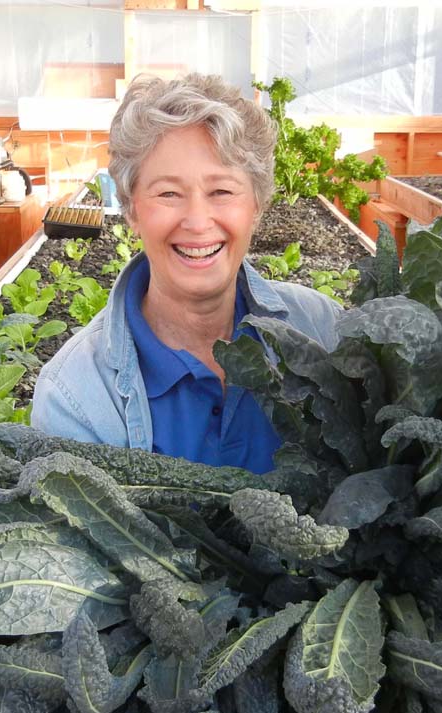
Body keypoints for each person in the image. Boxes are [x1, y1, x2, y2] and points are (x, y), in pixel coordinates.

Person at [31, 73, 341, 474]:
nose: (197, 222)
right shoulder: (76, 396)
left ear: (257, 206)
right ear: (131, 210)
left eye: (222, 192)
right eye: (168, 193)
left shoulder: (325, 331)